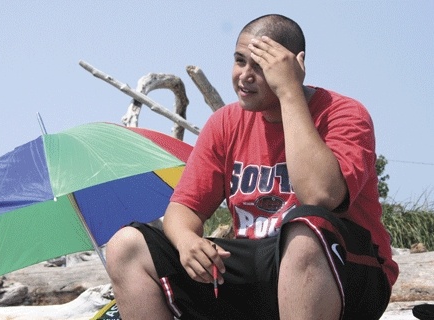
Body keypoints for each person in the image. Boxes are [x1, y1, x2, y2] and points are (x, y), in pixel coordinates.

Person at [106, 14, 399, 320]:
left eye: (260, 66)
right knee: (127, 245)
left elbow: (321, 195)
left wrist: (289, 93)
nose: (244, 75)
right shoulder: (225, 122)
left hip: (347, 270)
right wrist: (187, 242)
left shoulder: (344, 113)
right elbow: (184, 208)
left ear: (294, 66)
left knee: (304, 228)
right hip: (256, 265)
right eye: (239, 60)